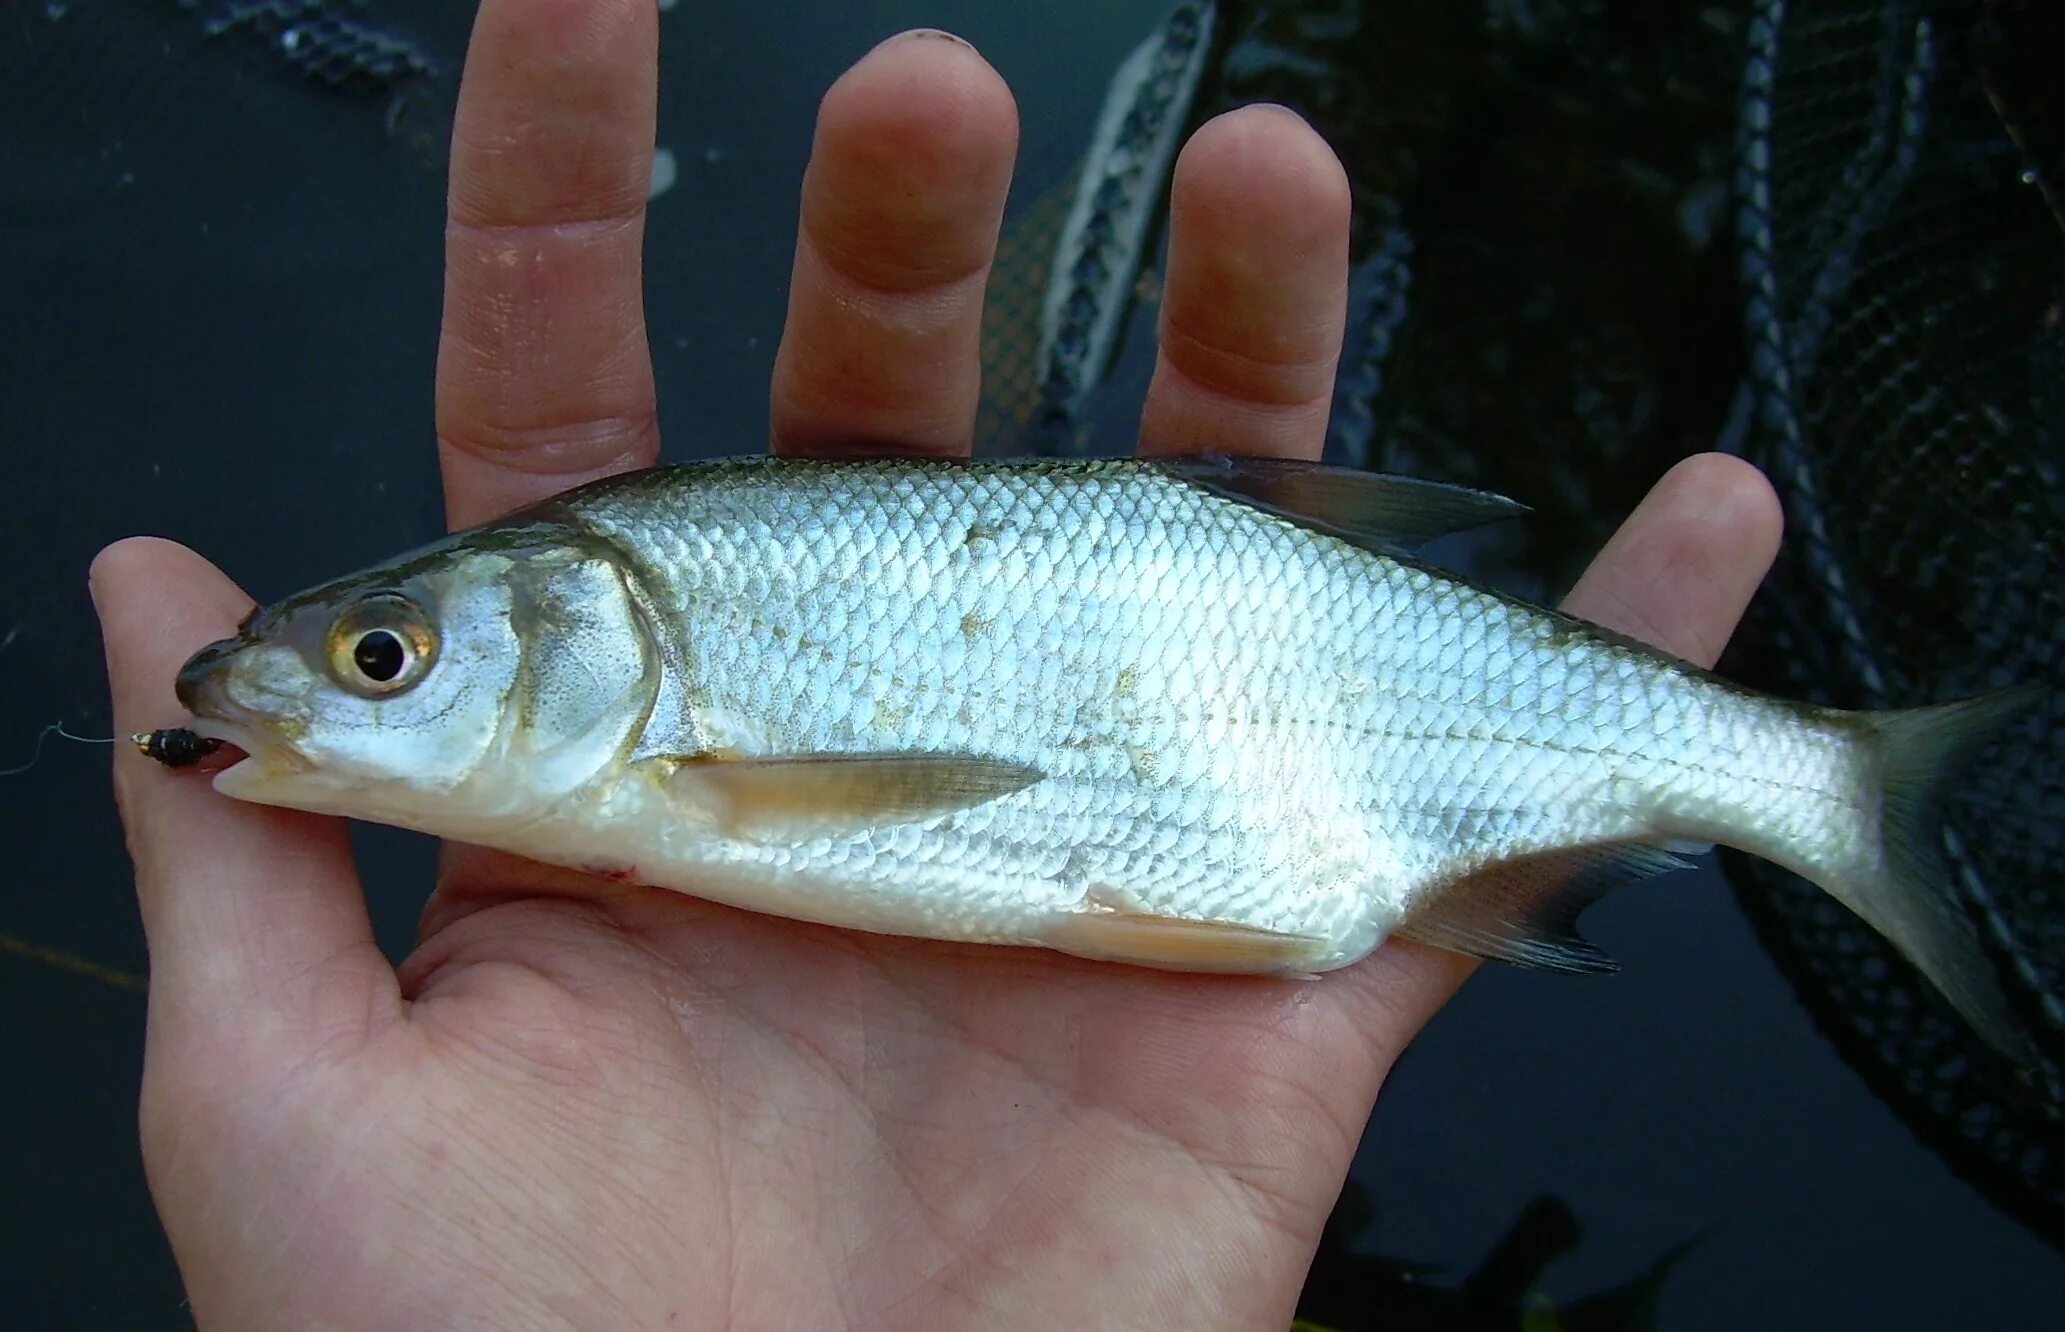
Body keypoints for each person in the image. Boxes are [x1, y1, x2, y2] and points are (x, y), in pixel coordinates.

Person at [89, 3, 1782, 1327]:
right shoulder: (618, 680)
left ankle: (1819, 783)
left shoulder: (666, 720)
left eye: (381, 659)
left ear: (602, 642)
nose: (317, 693)